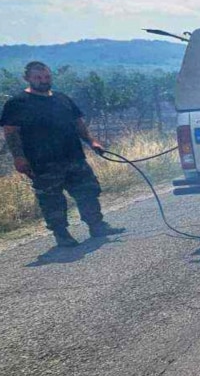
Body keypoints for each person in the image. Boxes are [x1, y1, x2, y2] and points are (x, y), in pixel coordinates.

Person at [1, 61, 125, 247]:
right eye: (38, 77)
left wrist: (92, 141)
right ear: (27, 78)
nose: (43, 81)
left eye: (46, 77)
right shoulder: (17, 103)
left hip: (74, 157)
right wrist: (19, 157)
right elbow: (11, 132)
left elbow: (78, 124)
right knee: (52, 200)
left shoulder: (62, 98)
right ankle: (62, 235)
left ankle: (97, 226)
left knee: (87, 192)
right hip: (42, 162)